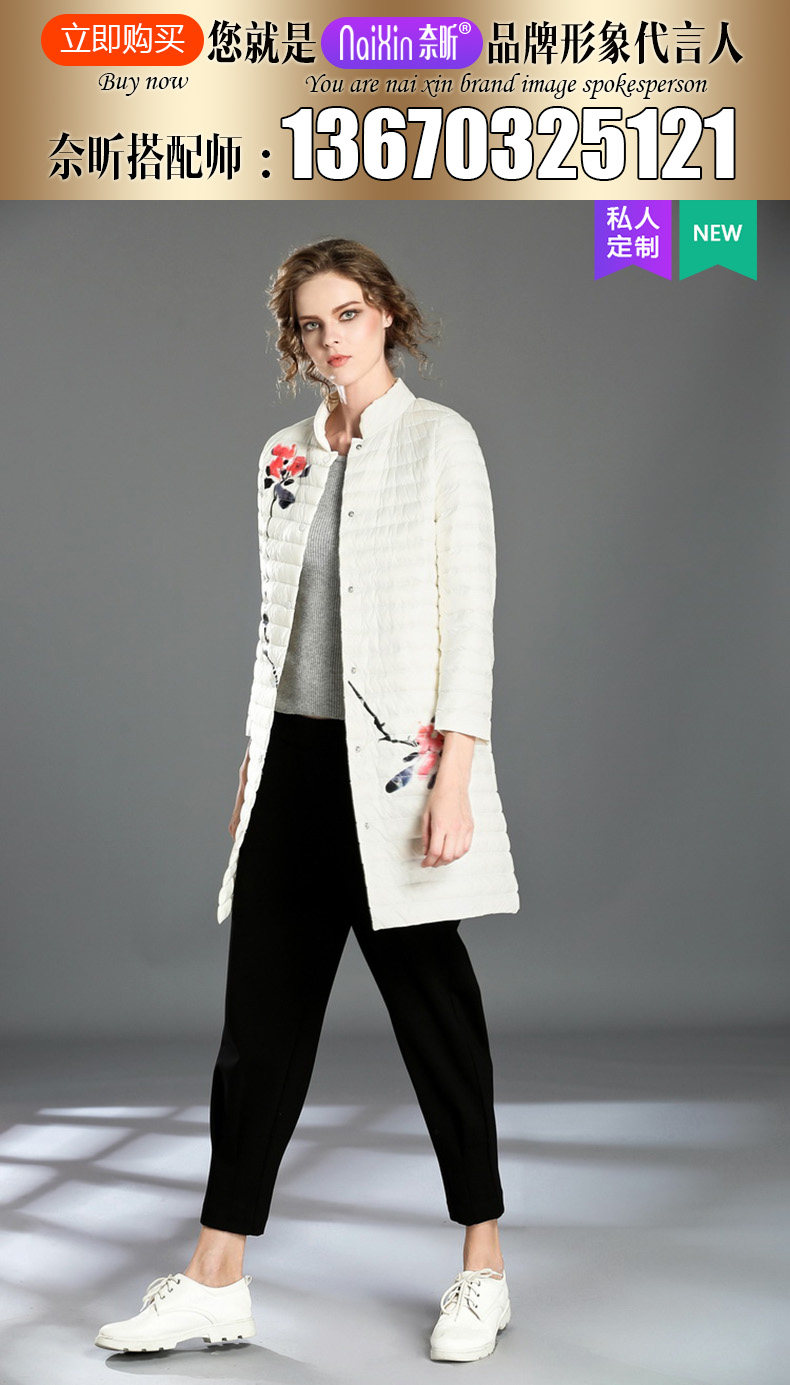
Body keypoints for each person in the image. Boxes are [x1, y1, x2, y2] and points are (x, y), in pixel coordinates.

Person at [95, 237, 520, 1363]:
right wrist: (253, 763)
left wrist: (457, 776)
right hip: (291, 762)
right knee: (258, 1031)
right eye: (308, 323)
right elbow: (275, 629)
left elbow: (469, 621)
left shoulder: (440, 442)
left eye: (347, 315)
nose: (329, 339)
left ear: (386, 314)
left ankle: (483, 1266)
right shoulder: (282, 455)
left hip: (397, 777)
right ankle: (215, 1276)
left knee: (436, 1017)